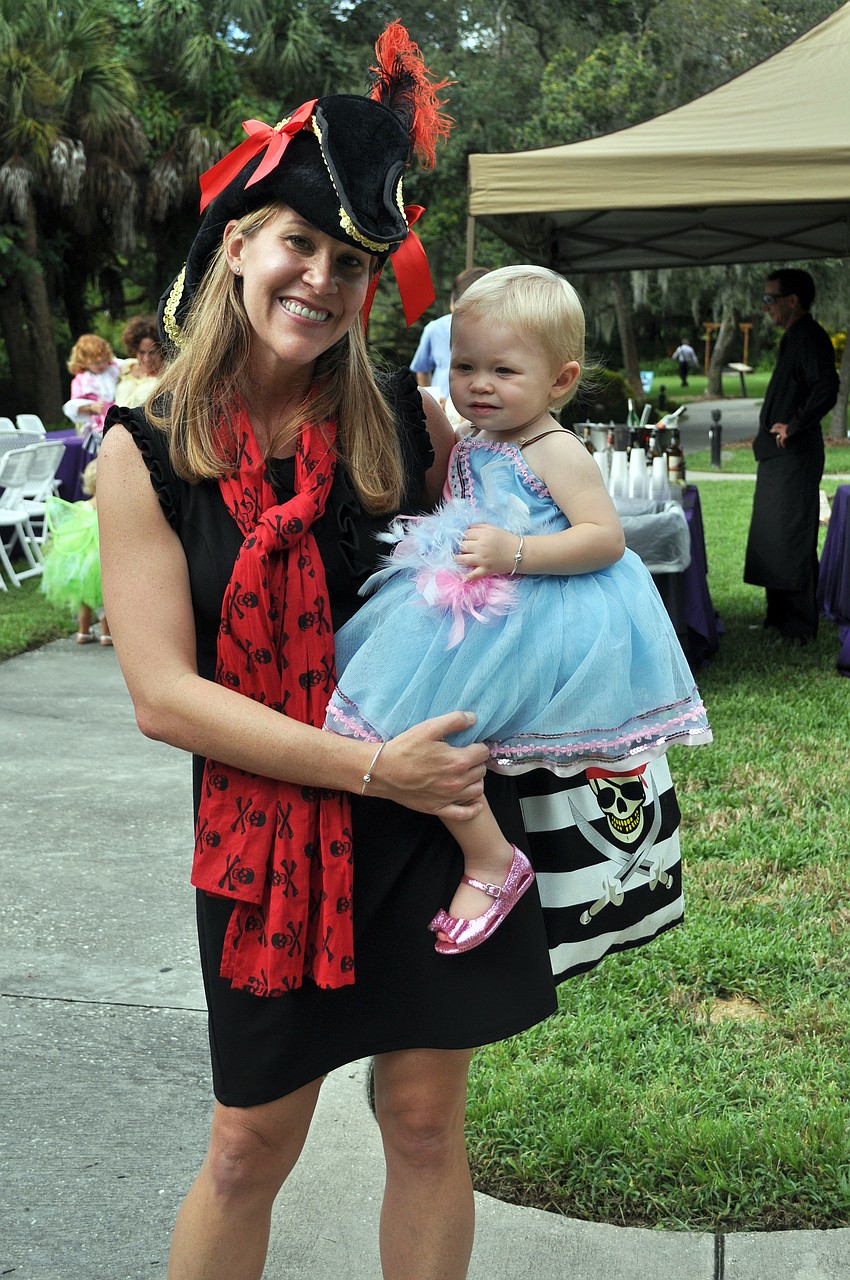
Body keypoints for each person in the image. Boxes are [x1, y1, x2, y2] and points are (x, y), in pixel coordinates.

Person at [97, 24, 561, 1280]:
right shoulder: (141, 456)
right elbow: (163, 695)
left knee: (422, 1121)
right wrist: (370, 771)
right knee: (249, 1144)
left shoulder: (410, 428)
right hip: (268, 830)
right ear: (240, 242)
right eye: (300, 242)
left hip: (433, 823)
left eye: (353, 262)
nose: (321, 278)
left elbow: (506, 583)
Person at [326, 266, 712, 954]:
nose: (477, 384)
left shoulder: (553, 448)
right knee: (409, 715)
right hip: (474, 597)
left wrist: (517, 553)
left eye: (503, 370)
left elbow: (605, 538)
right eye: (465, 365)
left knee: (436, 727)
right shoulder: (477, 440)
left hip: (535, 609)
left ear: (559, 381)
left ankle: (492, 859)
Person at [744, 269, 839, 643]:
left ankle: (800, 626)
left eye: (770, 299)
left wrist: (794, 425)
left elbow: (827, 387)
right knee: (773, 535)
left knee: (793, 536)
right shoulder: (793, 338)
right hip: (777, 455)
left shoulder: (811, 337)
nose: (765, 307)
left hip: (795, 454)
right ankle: (778, 616)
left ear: (792, 300)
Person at [40, 458, 112, 645]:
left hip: (79, 564)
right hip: (100, 562)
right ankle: (106, 634)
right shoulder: (108, 507)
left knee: (83, 599)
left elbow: (71, 531)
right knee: (103, 597)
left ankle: (83, 632)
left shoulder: (81, 507)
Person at [410, 266, 490, 409]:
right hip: (443, 411)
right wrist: (431, 403)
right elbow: (422, 368)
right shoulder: (434, 329)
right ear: (452, 303)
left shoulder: (499, 334)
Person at [62, 334, 121, 454]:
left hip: (119, 415)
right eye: (96, 362)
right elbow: (73, 407)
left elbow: (130, 366)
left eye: (104, 360)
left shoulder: (113, 368)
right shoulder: (82, 380)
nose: (101, 365)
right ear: (83, 361)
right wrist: (89, 407)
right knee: (105, 452)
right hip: (99, 423)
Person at [114, 315, 163, 408]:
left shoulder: (167, 377)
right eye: (142, 352)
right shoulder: (125, 367)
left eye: (151, 353)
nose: (146, 359)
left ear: (161, 351)